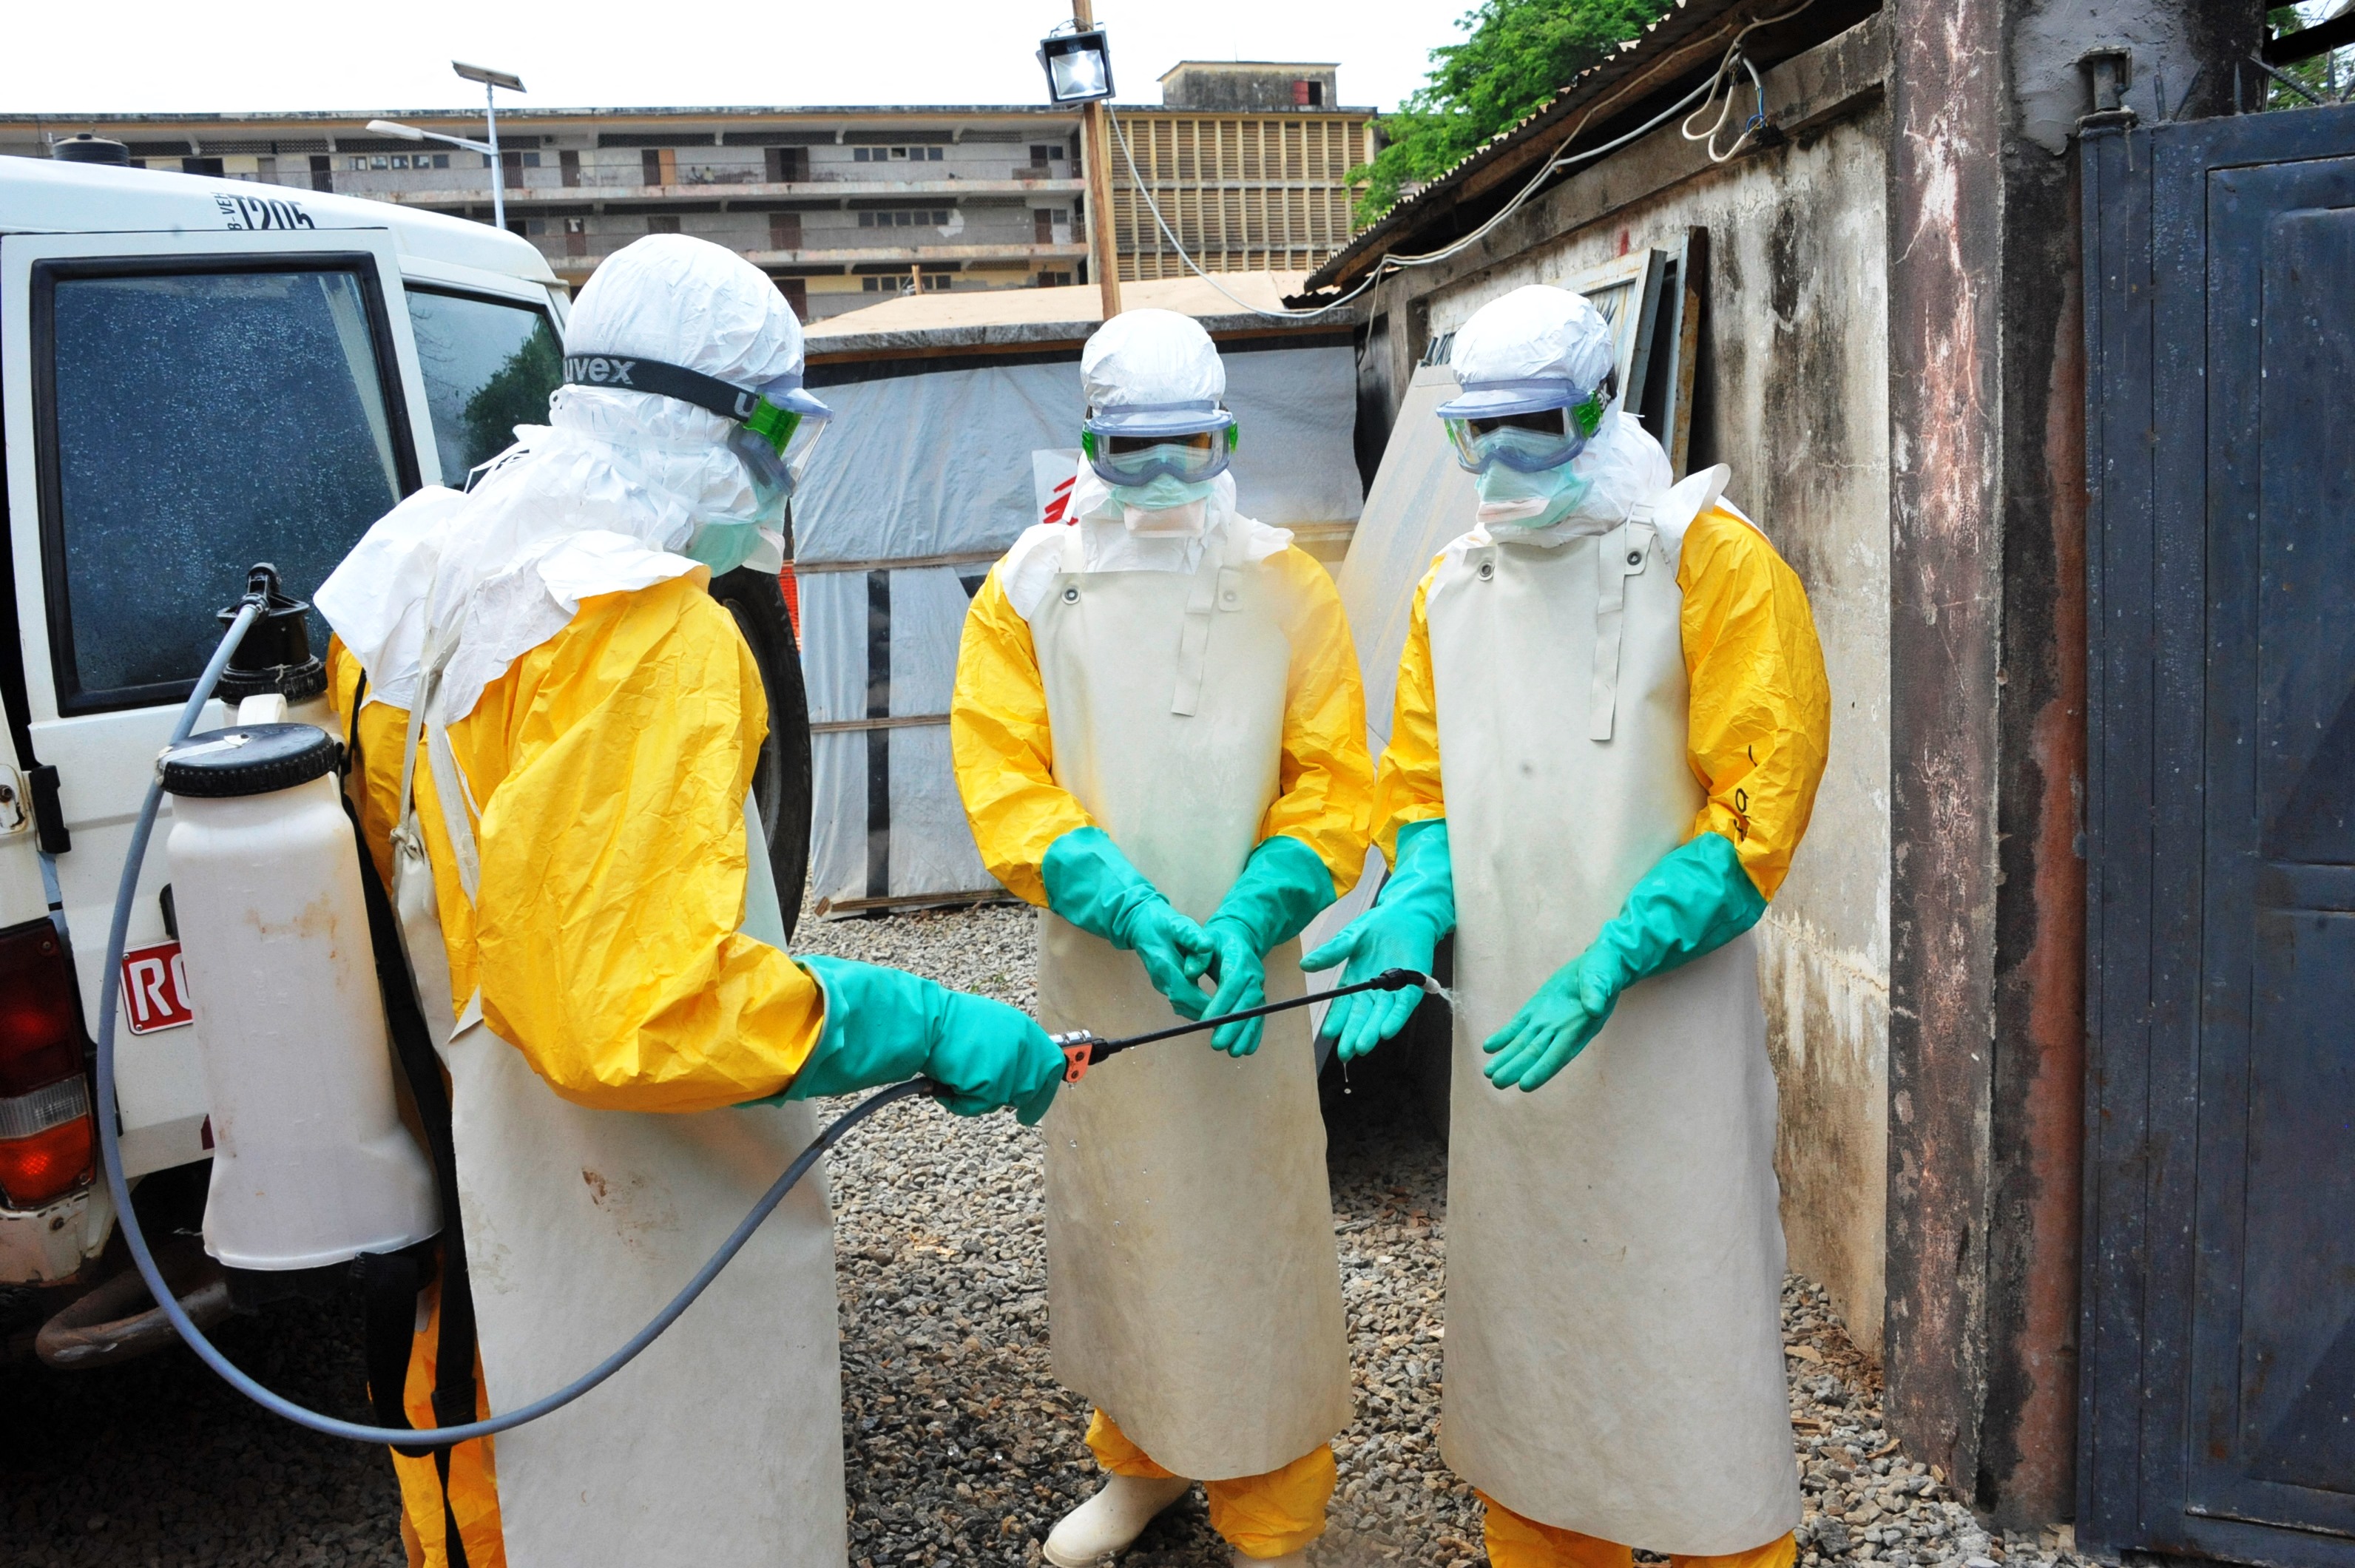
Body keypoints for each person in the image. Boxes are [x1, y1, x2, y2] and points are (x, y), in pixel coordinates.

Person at [316, 234, 1066, 1568]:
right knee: (663, 1497)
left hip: (470, 1168)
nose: (782, 473)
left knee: (497, 1484)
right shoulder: (643, 632)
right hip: (630, 1193)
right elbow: (640, 1014)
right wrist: (922, 1020)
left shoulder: (427, 563)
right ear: (705, 420)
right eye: (774, 430)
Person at [1304, 283, 1831, 1568]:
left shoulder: (1710, 561)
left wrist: (1616, 956)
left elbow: (1758, 797)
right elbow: (1423, 787)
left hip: (1663, 1026)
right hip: (1511, 1029)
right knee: (1530, 1317)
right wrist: (1412, 904)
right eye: (1474, 431)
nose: (1497, 460)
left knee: (1688, 1306)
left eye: (1527, 427)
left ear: (1599, 409)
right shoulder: (1452, 586)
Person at [949, 308, 1374, 1568]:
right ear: (1090, 441)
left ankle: (1274, 1510)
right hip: (1103, 971)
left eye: (1193, 446)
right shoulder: (1031, 589)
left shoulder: (1285, 583)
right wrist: (1126, 904)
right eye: (1135, 449)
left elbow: (1330, 782)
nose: (1167, 475)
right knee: (1123, 1224)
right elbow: (1006, 782)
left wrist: (1251, 914)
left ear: (1226, 436)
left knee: (1255, 1231)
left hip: (1250, 978)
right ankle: (1140, 1458)